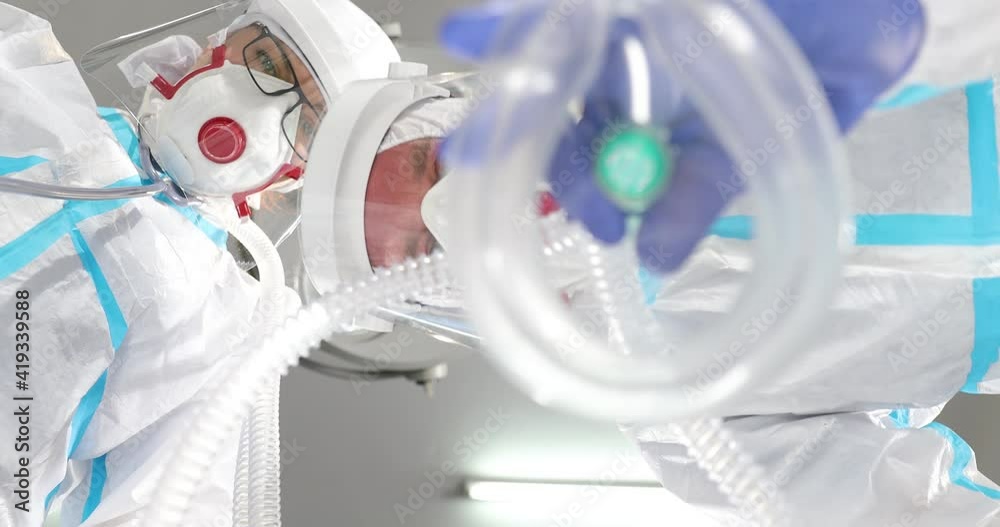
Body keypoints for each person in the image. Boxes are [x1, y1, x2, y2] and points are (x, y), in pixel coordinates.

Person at [441, 0, 1000, 525]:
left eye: (427, 163)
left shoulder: (693, 38)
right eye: (423, 250)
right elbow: (908, 511)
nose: (450, 216)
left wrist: (915, 20)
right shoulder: (670, 409)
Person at [0, 0, 444, 524]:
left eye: (309, 123)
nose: (266, 109)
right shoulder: (25, 86)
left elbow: (154, 507)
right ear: (215, 45)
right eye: (270, 64)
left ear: (305, 172)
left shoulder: (219, 322)